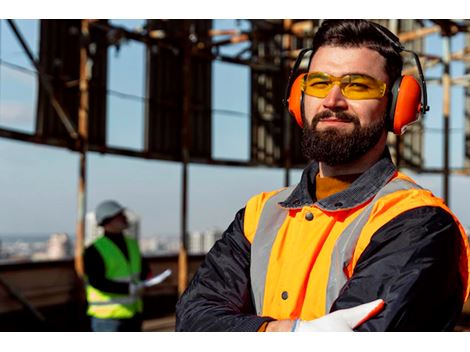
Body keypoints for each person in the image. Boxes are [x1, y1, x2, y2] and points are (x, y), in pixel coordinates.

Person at [175, 20, 470, 332]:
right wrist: (278, 332)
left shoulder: (417, 222)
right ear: (298, 100)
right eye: (317, 83)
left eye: (358, 85)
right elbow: (194, 316)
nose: (332, 100)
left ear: (398, 104)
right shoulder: (260, 214)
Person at [84, 200, 151, 332]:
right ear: (108, 220)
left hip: (133, 314)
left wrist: (147, 281)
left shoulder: (132, 244)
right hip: (107, 319)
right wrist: (129, 288)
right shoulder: (94, 250)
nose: (125, 217)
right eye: (120, 215)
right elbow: (97, 281)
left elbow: (144, 270)